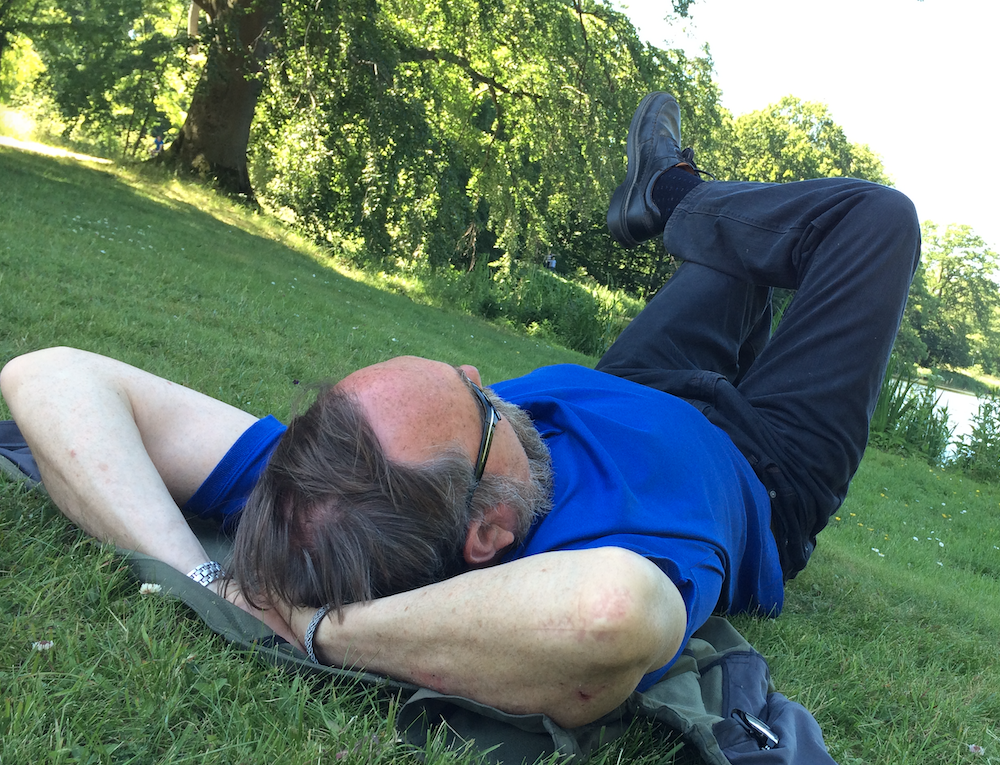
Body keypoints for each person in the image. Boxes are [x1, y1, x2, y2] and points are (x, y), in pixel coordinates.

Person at [0, 92, 920, 731]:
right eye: (480, 404)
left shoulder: (325, 491)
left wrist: (209, 586)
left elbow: (48, 374)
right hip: (762, 462)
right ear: (486, 531)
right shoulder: (581, 563)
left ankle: (672, 195)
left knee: (745, 248)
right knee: (871, 222)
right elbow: (608, 614)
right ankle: (672, 192)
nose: (485, 376)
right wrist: (323, 631)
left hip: (636, 379)